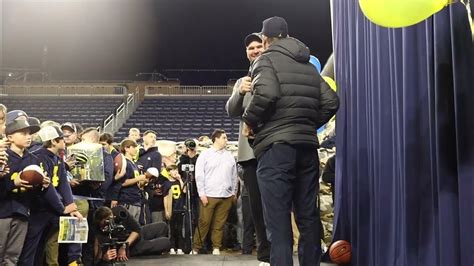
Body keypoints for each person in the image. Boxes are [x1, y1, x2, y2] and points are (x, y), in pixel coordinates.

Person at [242, 17, 340, 266]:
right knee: (308, 218)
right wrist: (306, 125)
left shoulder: (265, 60)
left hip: (276, 149)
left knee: (278, 220)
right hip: (307, 148)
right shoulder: (307, 64)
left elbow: (267, 93)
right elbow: (331, 102)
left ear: (265, 38)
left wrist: (249, 120)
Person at [226, 32, 271, 265]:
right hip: (249, 154)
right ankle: (264, 256)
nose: (254, 50)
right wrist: (239, 92)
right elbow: (231, 110)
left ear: (266, 47)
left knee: (275, 205)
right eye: (250, 48)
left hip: (272, 149)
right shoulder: (242, 81)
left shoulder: (274, 74)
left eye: (258, 46)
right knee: (256, 210)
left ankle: (279, 251)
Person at [0, 111, 64, 265]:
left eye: (30, 133)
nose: (28, 136)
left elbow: (36, 193)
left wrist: (43, 185)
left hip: (23, 211)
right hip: (2, 212)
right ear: (9, 137)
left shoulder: (34, 159)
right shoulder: (2, 156)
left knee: (13, 256)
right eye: (22, 133)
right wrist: (12, 183)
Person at [19, 125, 83, 266]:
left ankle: (74, 261)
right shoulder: (38, 157)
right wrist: (62, 208)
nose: (65, 141)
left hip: (52, 208)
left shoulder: (56, 158)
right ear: (53, 141)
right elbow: (47, 188)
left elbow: (63, 184)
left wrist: (71, 206)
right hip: (39, 209)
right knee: (31, 247)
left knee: (74, 226)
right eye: (62, 138)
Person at [192, 129, 238, 255]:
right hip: (209, 195)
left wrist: (234, 192)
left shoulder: (229, 156)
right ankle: (196, 248)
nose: (226, 140)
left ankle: (216, 247)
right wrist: (202, 193)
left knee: (220, 224)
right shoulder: (205, 155)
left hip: (226, 196)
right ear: (216, 139)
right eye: (224, 137)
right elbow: (199, 175)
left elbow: (234, 176)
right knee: (204, 222)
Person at [93, 206, 170, 265]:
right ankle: (152, 248)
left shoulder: (120, 211)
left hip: (131, 238)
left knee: (163, 226)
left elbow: (137, 229)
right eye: (103, 224)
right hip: (132, 248)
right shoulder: (99, 231)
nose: (104, 226)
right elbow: (98, 256)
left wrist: (124, 245)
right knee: (166, 242)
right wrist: (104, 257)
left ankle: (156, 250)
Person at [162, 164, 187, 255]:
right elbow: (165, 197)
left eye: (176, 169)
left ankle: (180, 247)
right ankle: (172, 247)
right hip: (172, 208)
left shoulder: (180, 181)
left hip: (180, 208)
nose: (175, 171)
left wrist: (180, 179)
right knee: (172, 229)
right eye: (173, 170)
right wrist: (166, 210)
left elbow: (184, 191)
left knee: (180, 229)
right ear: (168, 172)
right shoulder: (166, 183)